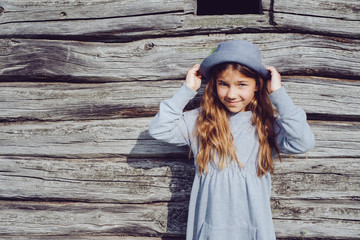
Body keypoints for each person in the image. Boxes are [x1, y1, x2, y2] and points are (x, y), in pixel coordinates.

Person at [148, 40, 315, 240]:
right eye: (223, 84)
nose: (231, 94)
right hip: (209, 230)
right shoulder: (200, 121)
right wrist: (187, 89)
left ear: (257, 86)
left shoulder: (267, 125)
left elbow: (303, 142)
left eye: (241, 84)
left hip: (254, 229)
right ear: (214, 84)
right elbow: (159, 130)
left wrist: (278, 94)